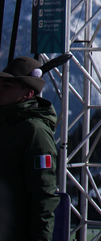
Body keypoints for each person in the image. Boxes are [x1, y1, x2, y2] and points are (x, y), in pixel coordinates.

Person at [0, 56, 60, 241]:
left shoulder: (35, 132)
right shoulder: (6, 125)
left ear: (28, 93)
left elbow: (43, 195)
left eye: (7, 86)